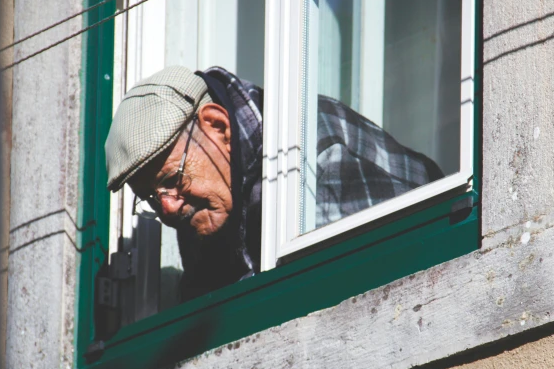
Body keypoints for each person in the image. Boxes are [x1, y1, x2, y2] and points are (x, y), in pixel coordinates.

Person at [105, 66, 443, 298]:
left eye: (174, 179)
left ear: (218, 127)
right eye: (150, 197)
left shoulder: (305, 151)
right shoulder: (207, 203)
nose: (167, 207)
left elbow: (350, 304)